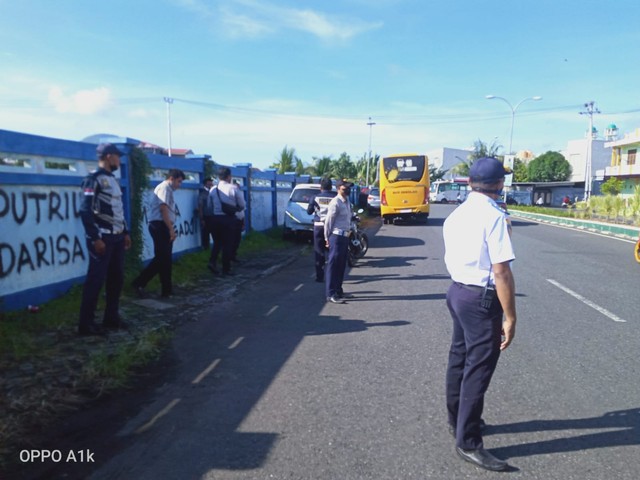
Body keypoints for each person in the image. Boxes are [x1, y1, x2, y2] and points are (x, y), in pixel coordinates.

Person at [442, 157, 517, 472]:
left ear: (470, 182)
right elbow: (501, 272)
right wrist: (510, 316)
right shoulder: (494, 217)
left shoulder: (457, 214)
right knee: (478, 368)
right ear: (499, 184)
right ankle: (468, 442)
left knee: (459, 358)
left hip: (458, 292)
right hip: (481, 300)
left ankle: (456, 419)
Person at [78, 143, 131, 336]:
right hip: (102, 238)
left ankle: (111, 317)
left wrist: (125, 232)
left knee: (116, 278)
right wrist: (95, 237)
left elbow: (117, 209)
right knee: (96, 280)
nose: (119, 160)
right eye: (118, 156)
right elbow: (85, 210)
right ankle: (86, 324)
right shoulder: (93, 180)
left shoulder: (112, 180)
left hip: (116, 237)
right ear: (109, 157)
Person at [132, 169, 185, 298]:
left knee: (166, 259)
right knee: (161, 258)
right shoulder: (165, 188)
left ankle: (166, 289)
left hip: (163, 225)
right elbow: (163, 209)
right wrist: (170, 229)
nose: (180, 185)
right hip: (159, 225)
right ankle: (139, 283)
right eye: (179, 181)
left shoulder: (168, 189)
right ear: (172, 178)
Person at [208, 167, 245, 276]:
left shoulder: (213, 189)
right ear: (229, 176)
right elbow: (242, 204)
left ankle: (212, 261)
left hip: (215, 219)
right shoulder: (233, 188)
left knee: (217, 243)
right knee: (228, 244)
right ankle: (226, 268)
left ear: (219, 177)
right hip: (228, 219)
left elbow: (209, 206)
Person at [324, 179, 353, 304]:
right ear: (338, 188)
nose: (347, 189)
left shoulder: (347, 202)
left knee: (341, 265)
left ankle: (338, 290)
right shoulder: (335, 202)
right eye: (344, 187)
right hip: (336, 237)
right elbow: (328, 222)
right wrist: (326, 238)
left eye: (348, 187)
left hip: (345, 236)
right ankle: (330, 293)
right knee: (333, 265)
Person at [306, 177, 336, 282]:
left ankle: (319, 276)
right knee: (333, 251)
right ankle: (332, 275)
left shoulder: (315, 198)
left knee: (319, 251)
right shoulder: (335, 197)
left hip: (318, 226)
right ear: (331, 187)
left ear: (321, 187)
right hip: (332, 227)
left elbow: (309, 212)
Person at [230, 179, 245, 263]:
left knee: (237, 239)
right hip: (233, 220)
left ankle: (234, 255)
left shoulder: (240, 197)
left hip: (239, 220)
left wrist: (243, 223)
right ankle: (230, 256)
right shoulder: (230, 199)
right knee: (232, 239)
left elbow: (243, 212)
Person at [198, 177, 214, 249]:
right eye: (209, 182)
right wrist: (202, 218)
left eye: (211, 182)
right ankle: (206, 248)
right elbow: (200, 206)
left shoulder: (214, 192)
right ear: (205, 184)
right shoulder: (203, 194)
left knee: (215, 232)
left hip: (214, 215)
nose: (210, 183)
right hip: (206, 216)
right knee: (206, 233)